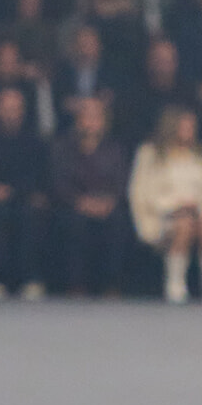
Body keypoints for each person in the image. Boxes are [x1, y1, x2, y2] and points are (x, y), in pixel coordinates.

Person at [128, 106, 202, 303]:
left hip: (196, 213)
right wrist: (175, 205)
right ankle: (175, 283)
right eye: (185, 126)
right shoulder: (150, 154)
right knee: (184, 225)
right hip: (161, 216)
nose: (190, 131)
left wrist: (201, 210)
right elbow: (141, 193)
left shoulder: (199, 157)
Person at [0, 85, 48, 299]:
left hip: (23, 199)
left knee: (29, 213)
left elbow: (41, 179)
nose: (10, 114)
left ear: (23, 111)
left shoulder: (35, 143)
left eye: (15, 109)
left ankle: (29, 278)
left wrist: (15, 192)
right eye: (6, 109)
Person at [49, 96, 127, 296]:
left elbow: (119, 182)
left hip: (106, 204)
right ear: (78, 120)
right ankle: (76, 284)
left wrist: (108, 202)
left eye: (96, 117)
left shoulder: (114, 148)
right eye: (87, 117)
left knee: (117, 221)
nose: (92, 122)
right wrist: (80, 202)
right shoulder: (62, 147)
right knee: (74, 223)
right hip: (73, 204)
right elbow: (59, 182)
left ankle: (111, 284)